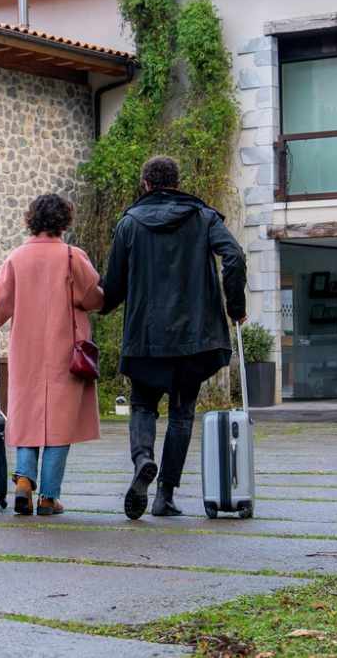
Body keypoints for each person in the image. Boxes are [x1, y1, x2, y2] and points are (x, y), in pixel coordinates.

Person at [100, 156, 247, 519]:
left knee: (141, 405)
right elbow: (235, 256)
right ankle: (164, 495)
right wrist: (235, 306)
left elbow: (113, 286)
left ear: (146, 184)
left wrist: (92, 305)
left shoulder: (130, 223)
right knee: (181, 414)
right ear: (177, 183)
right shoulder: (203, 217)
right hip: (193, 338)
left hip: (146, 338)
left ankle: (143, 458)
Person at [0, 193, 105, 516]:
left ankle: (23, 481)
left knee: (27, 415)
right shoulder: (71, 257)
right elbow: (93, 297)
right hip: (66, 351)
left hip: (27, 351)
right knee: (59, 422)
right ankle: (48, 497)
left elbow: (0, 302)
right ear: (64, 221)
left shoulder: (16, 258)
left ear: (31, 220)